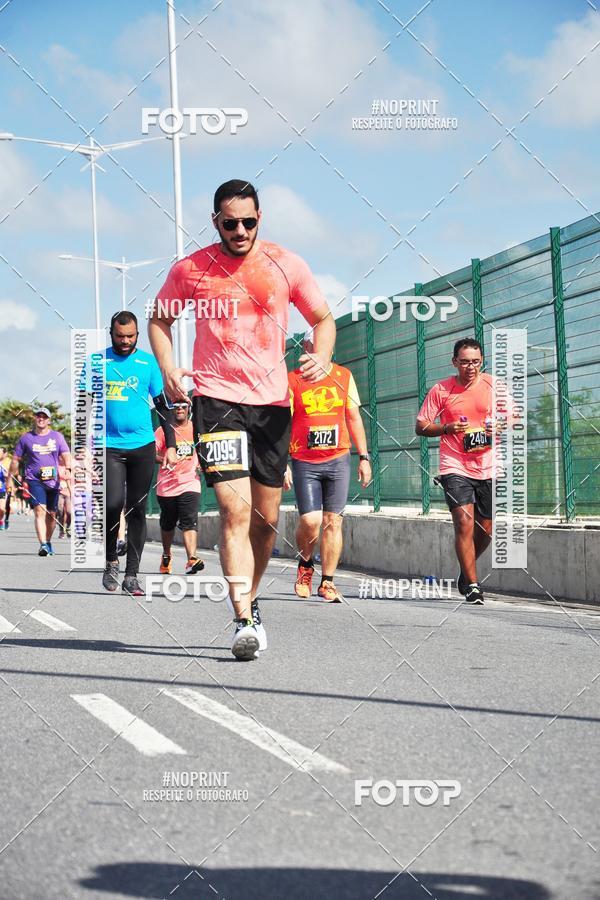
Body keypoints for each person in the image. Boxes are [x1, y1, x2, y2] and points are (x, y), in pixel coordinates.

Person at [149, 178, 336, 660]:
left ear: (259, 219)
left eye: (248, 221)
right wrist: (169, 369)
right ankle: (242, 617)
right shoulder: (192, 269)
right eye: (230, 223)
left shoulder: (285, 264)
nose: (239, 230)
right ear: (216, 222)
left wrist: (322, 356)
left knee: (266, 520)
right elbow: (159, 320)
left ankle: (251, 598)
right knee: (234, 511)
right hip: (217, 401)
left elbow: (323, 318)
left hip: (272, 406)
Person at [284, 331, 371, 602]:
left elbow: (353, 417)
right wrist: (281, 462)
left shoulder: (344, 376)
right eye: (314, 345)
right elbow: (281, 424)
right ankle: (306, 564)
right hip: (304, 461)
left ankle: (328, 582)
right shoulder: (293, 379)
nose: (320, 350)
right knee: (311, 521)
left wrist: (364, 457)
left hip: (338, 459)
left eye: (326, 345)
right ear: (306, 347)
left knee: (334, 522)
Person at [415, 338, 502, 605]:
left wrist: (498, 426)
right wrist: (446, 429)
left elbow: (514, 417)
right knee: (464, 523)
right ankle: (474, 586)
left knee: (485, 529)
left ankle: (466, 571)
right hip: (454, 465)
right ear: (455, 362)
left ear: (482, 361)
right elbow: (421, 426)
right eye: (464, 362)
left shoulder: (493, 386)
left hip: (487, 465)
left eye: (475, 361)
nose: (470, 367)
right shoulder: (442, 390)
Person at [100, 310, 175, 597]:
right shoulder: (97, 361)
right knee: (111, 504)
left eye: (130, 336)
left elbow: (164, 406)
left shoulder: (147, 363)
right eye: (120, 336)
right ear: (111, 333)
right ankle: (110, 562)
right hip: (109, 446)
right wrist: (81, 446)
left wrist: (169, 444)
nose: (125, 341)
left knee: (137, 509)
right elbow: (84, 404)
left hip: (142, 446)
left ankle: (132, 575)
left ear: (137, 335)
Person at [7, 408, 71, 556]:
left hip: (53, 481)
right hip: (34, 480)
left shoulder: (57, 437)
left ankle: (48, 541)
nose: (41, 419)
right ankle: (42, 544)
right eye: (38, 416)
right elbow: (16, 460)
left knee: (52, 515)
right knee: (39, 510)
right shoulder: (26, 438)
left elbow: (66, 454)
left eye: (44, 417)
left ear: (49, 420)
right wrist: (11, 478)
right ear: (35, 419)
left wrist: (68, 469)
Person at [155, 400, 204, 575]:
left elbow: (203, 449)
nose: (180, 410)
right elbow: (152, 452)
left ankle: (191, 559)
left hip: (190, 482)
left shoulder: (196, 428)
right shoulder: (163, 431)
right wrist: (165, 459)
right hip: (167, 485)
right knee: (168, 523)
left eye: (183, 406)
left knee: (189, 520)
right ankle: (166, 554)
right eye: (175, 408)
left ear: (189, 409)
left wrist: (201, 463)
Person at [57, 461, 72, 538]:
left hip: (69, 492)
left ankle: (68, 527)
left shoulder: (71, 467)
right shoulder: (57, 466)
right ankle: (61, 529)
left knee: (69, 512)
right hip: (59, 492)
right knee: (60, 511)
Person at [0, 448, 7, 529]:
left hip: (1, 489)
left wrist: (6, 473)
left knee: (2, 509)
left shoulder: (4, 464)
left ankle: (1, 520)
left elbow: (8, 476)